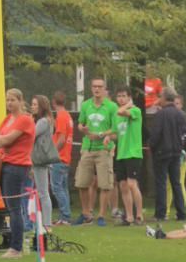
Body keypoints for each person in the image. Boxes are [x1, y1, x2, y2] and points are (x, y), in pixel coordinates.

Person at [0, 88, 35, 258]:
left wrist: (1, 141)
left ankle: (16, 247)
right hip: (4, 164)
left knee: (15, 208)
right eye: (7, 100)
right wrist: (0, 141)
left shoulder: (24, 120)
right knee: (10, 207)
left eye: (13, 100)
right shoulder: (8, 119)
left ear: (20, 101)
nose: (9, 103)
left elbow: (6, 140)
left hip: (17, 166)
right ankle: (15, 245)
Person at [73, 77, 117, 226]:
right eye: (94, 86)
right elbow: (80, 124)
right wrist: (83, 129)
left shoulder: (112, 107)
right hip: (87, 148)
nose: (97, 89)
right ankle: (86, 213)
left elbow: (115, 129)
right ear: (91, 88)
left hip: (104, 150)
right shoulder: (85, 105)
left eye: (100, 87)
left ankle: (102, 216)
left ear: (104, 89)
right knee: (81, 183)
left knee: (105, 185)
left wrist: (103, 135)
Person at [151, 86, 186, 222]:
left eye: (160, 96)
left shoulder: (161, 115)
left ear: (164, 98)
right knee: (176, 183)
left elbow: (155, 135)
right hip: (176, 153)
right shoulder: (181, 114)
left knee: (161, 183)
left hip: (162, 152)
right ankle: (181, 213)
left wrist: (153, 148)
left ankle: (160, 213)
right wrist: (185, 149)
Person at [113, 87, 144, 226]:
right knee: (123, 185)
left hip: (133, 153)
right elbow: (116, 133)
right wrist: (107, 137)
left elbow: (121, 111)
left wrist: (128, 105)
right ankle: (129, 216)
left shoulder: (135, 111)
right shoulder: (116, 115)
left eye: (124, 96)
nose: (121, 98)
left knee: (132, 184)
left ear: (129, 97)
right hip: (121, 154)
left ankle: (139, 215)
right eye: (119, 96)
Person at [30, 95, 60, 231]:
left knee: (43, 192)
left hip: (39, 159)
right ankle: (41, 220)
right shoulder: (47, 120)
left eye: (35, 104)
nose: (32, 107)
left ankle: (47, 224)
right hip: (40, 158)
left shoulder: (42, 122)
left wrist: (29, 122)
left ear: (41, 106)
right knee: (41, 191)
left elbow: (31, 134)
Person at [50, 91, 74, 225]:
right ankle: (65, 215)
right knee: (63, 188)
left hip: (59, 158)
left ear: (54, 102)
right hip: (66, 157)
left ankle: (64, 216)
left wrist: (52, 154)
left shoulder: (61, 116)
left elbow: (61, 138)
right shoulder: (68, 116)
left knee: (56, 188)